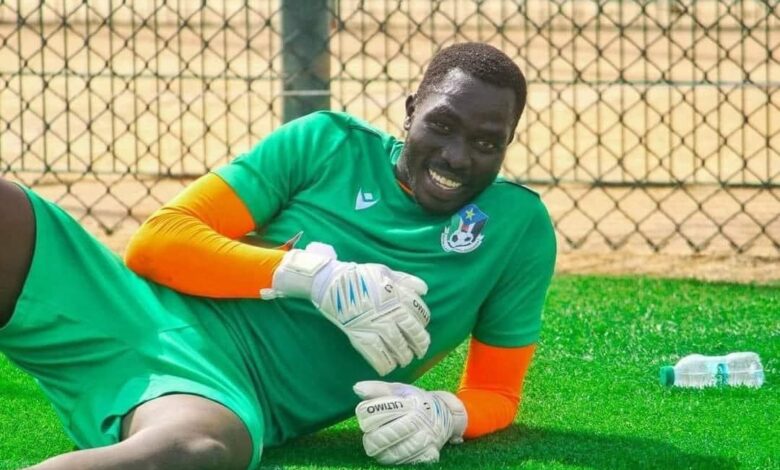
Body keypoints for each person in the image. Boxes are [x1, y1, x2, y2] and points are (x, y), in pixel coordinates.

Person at [0, 42, 556, 469]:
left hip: (217, 394)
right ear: (411, 111)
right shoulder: (325, 142)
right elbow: (156, 242)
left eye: (487, 143)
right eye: (442, 125)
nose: (457, 156)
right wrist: (310, 276)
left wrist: (446, 414)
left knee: (196, 450)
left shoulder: (518, 230)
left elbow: (496, 391)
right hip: (125, 308)